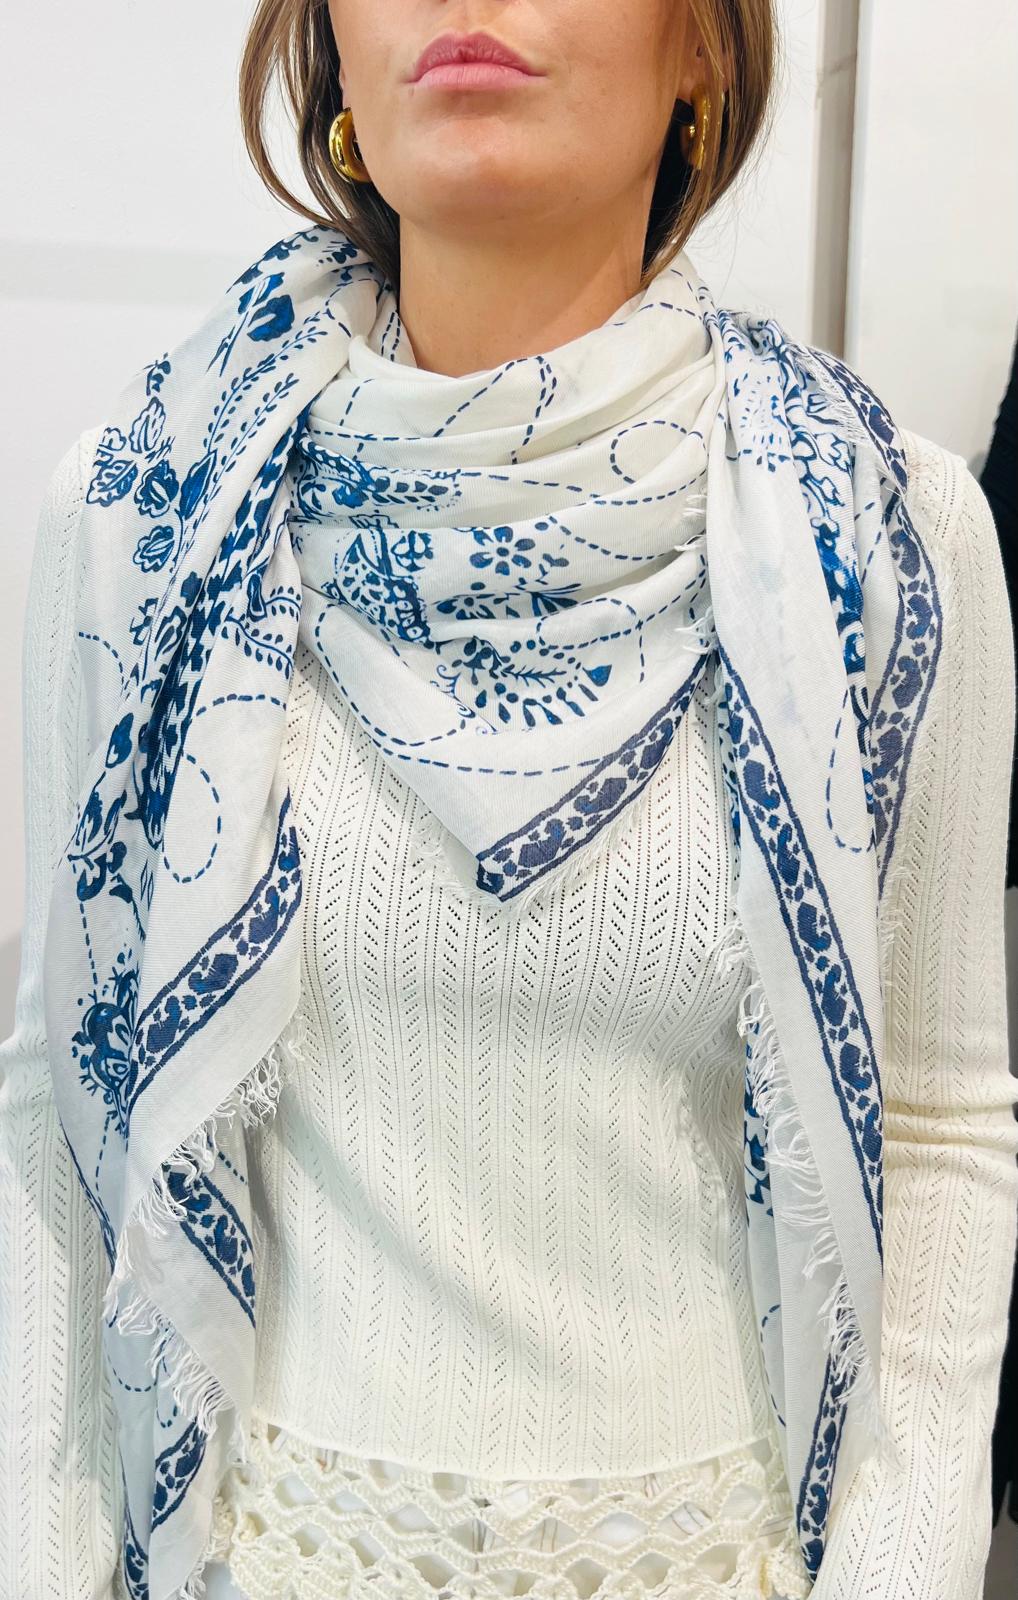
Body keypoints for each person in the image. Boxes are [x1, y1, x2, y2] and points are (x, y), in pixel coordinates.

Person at [2, 4, 1016, 1599]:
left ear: (702, 51)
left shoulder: (889, 538)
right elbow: (56, 1106)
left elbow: (939, 1125)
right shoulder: (145, 518)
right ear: (333, 55)